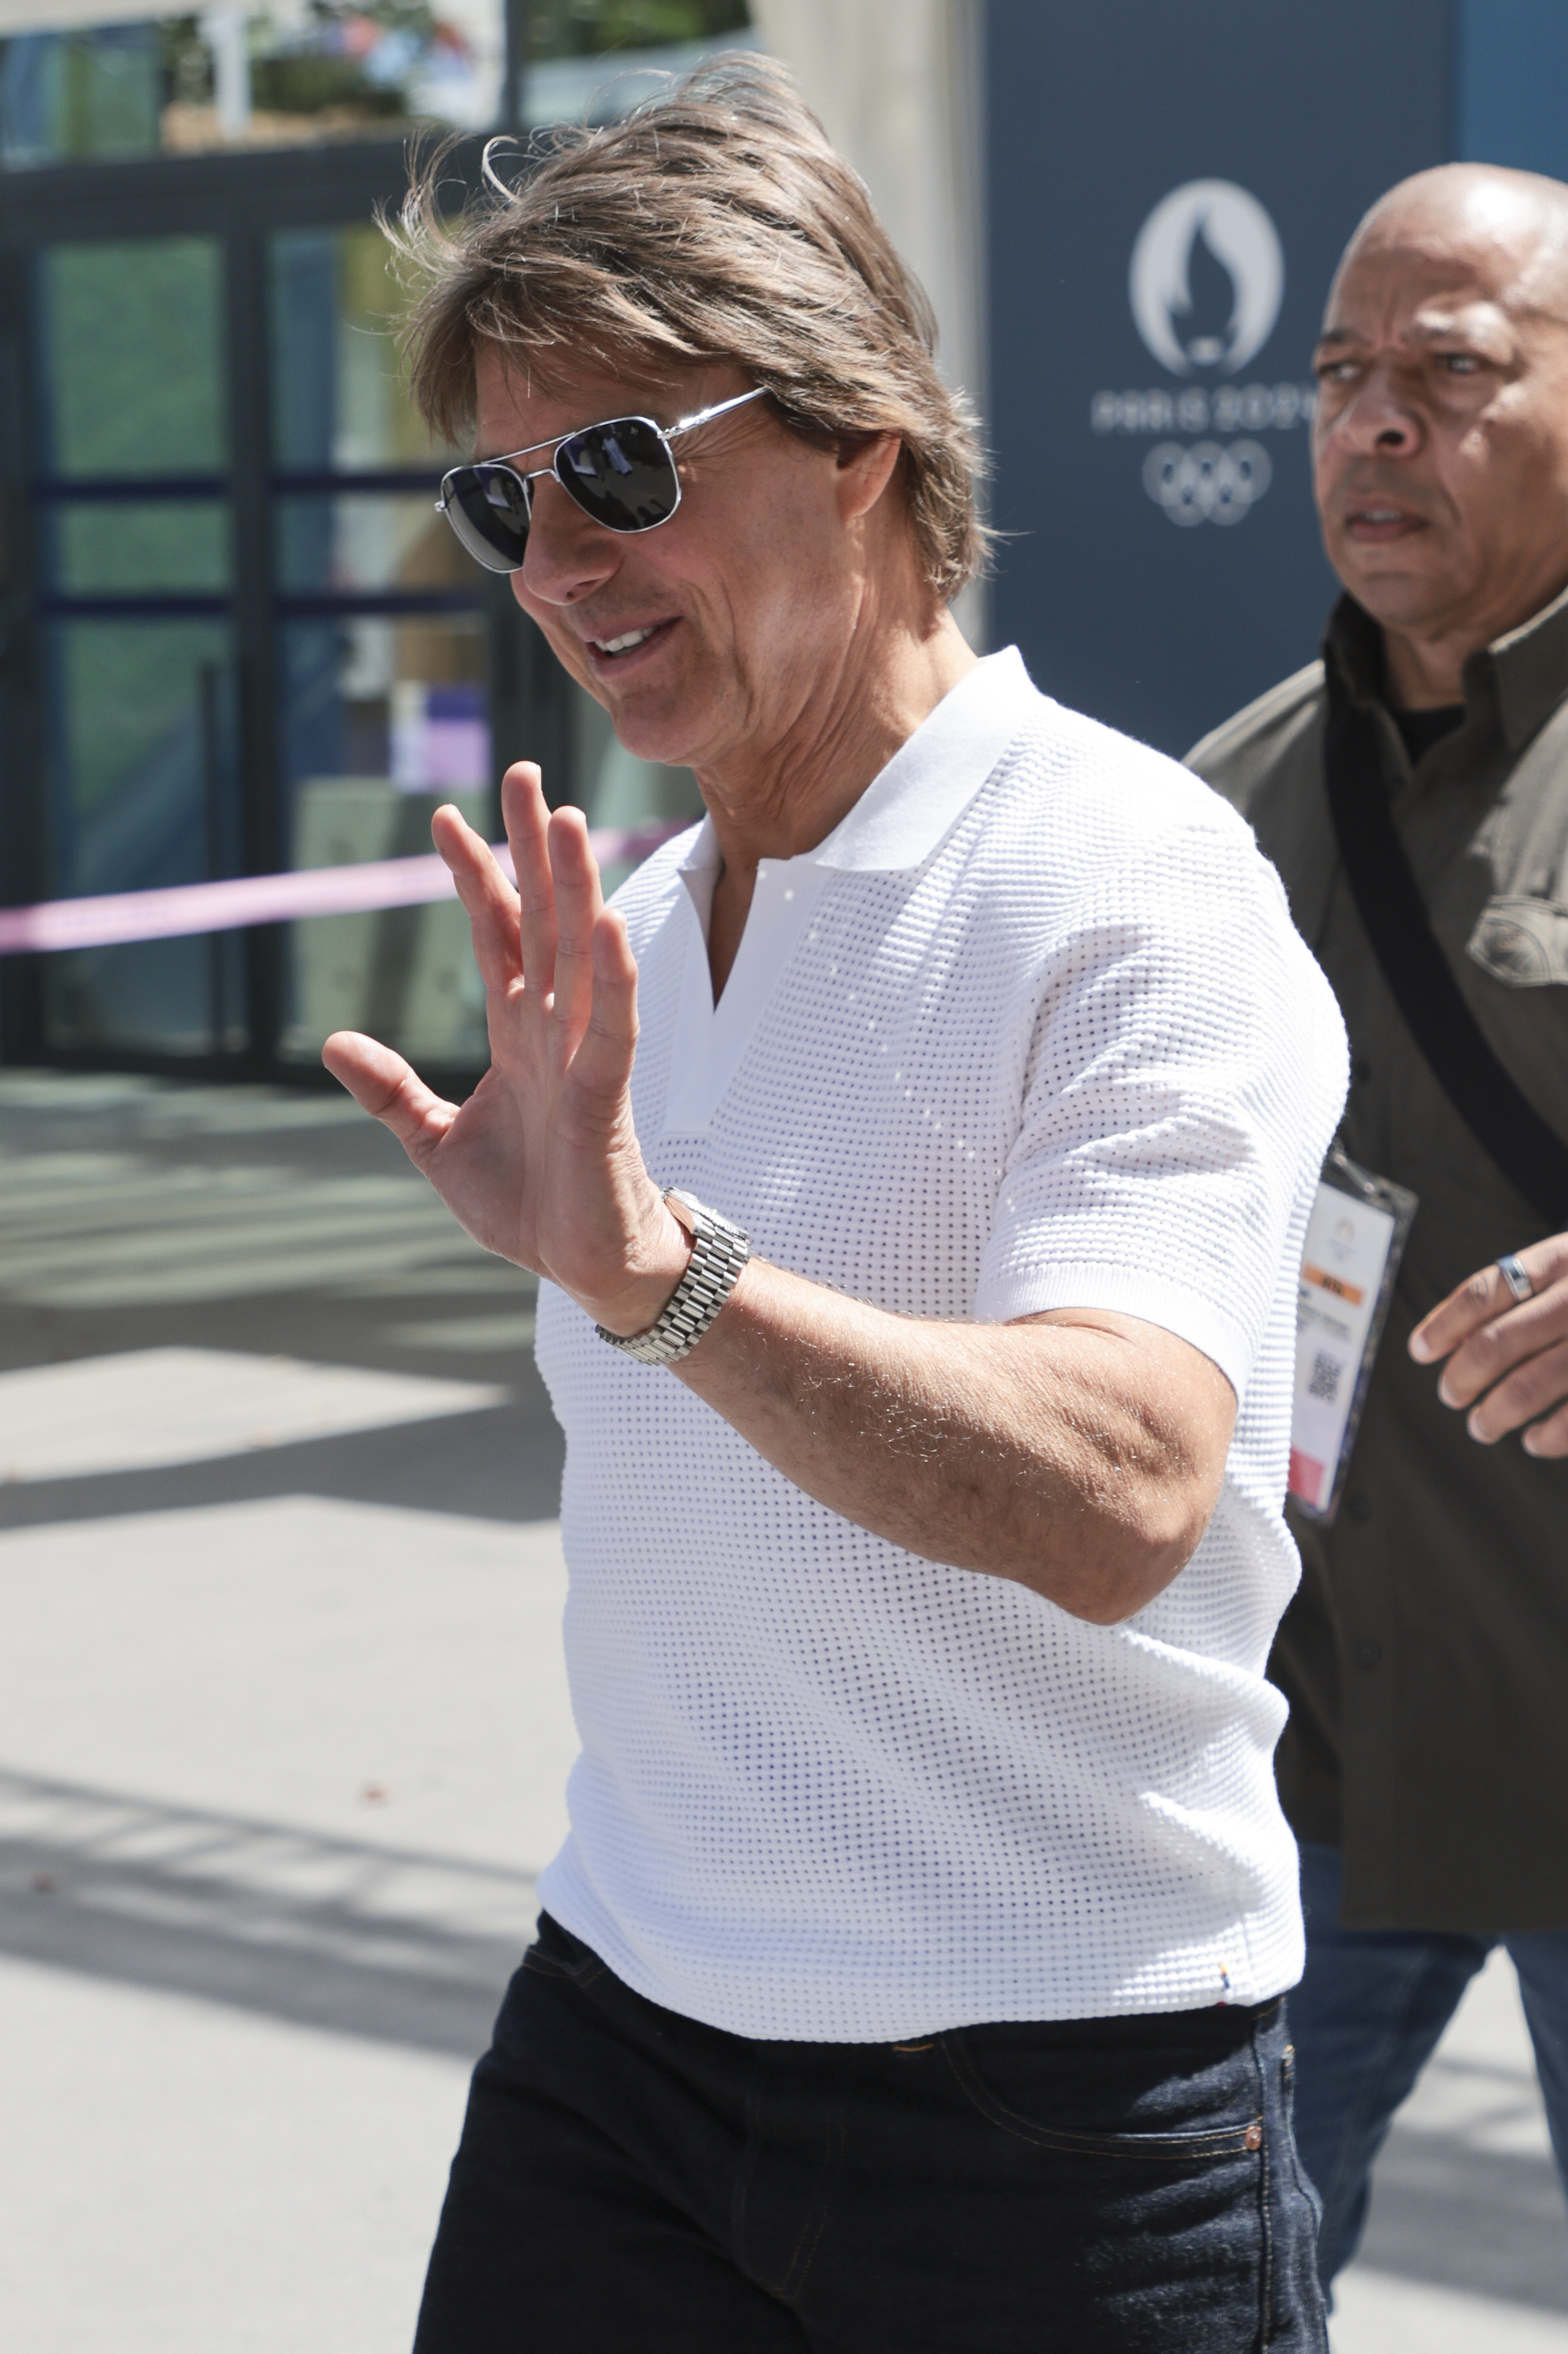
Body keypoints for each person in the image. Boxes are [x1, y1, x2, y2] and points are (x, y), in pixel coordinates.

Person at [326, 61, 1344, 2350]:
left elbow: (1123, 1490)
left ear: (861, 430)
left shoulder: (1127, 885)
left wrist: (658, 1272)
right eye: (504, 497)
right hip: (624, 2036)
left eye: (618, 469)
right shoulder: (644, 917)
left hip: (1060, 2111)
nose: (562, 562)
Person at [1188, 162, 1568, 2296]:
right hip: (1317, 1759)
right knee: (1186, 2294)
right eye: (1340, 378)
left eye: (1448, 372)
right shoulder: (1219, 805)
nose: (1370, 427)